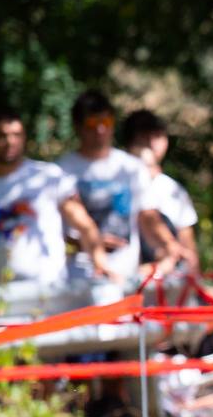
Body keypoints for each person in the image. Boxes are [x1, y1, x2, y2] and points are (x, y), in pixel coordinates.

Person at [0, 106, 111, 286]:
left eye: (17, 135)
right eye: (1, 135)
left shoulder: (48, 176)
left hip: (51, 294)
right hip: (3, 302)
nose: (10, 142)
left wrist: (101, 264)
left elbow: (84, 225)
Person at [57, 90, 176, 284]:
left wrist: (169, 245)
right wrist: (88, 243)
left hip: (125, 277)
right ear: (77, 126)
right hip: (76, 278)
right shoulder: (61, 171)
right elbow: (51, 233)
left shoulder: (131, 167)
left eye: (106, 122)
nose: (101, 130)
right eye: (93, 124)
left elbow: (147, 216)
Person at [118, 110, 197, 271]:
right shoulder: (113, 184)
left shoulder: (174, 190)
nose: (152, 143)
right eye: (144, 136)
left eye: (158, 136)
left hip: (167, 282)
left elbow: (188, 246)